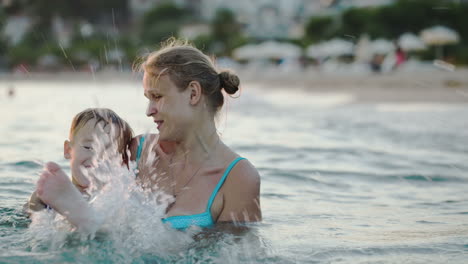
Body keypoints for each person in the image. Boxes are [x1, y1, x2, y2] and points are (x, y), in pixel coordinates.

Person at [38, 38, 262, 232]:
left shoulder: (238, 178)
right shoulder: (140, 151)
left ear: (193, 94)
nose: (149, 110)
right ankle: (86, 222)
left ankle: (88, 222)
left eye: (157, 96)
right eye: (148, 98)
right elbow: (87, 188)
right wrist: (40, 200)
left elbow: (236, 254)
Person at [29, 108, 133, 230]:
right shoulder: (50, 195)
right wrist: (36, 205)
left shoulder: (118, 199)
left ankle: (84, 217)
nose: (97, 157)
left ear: (122, 162)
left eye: (109, 152)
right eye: (88, 147)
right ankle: (84, 218)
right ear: (68, 150)